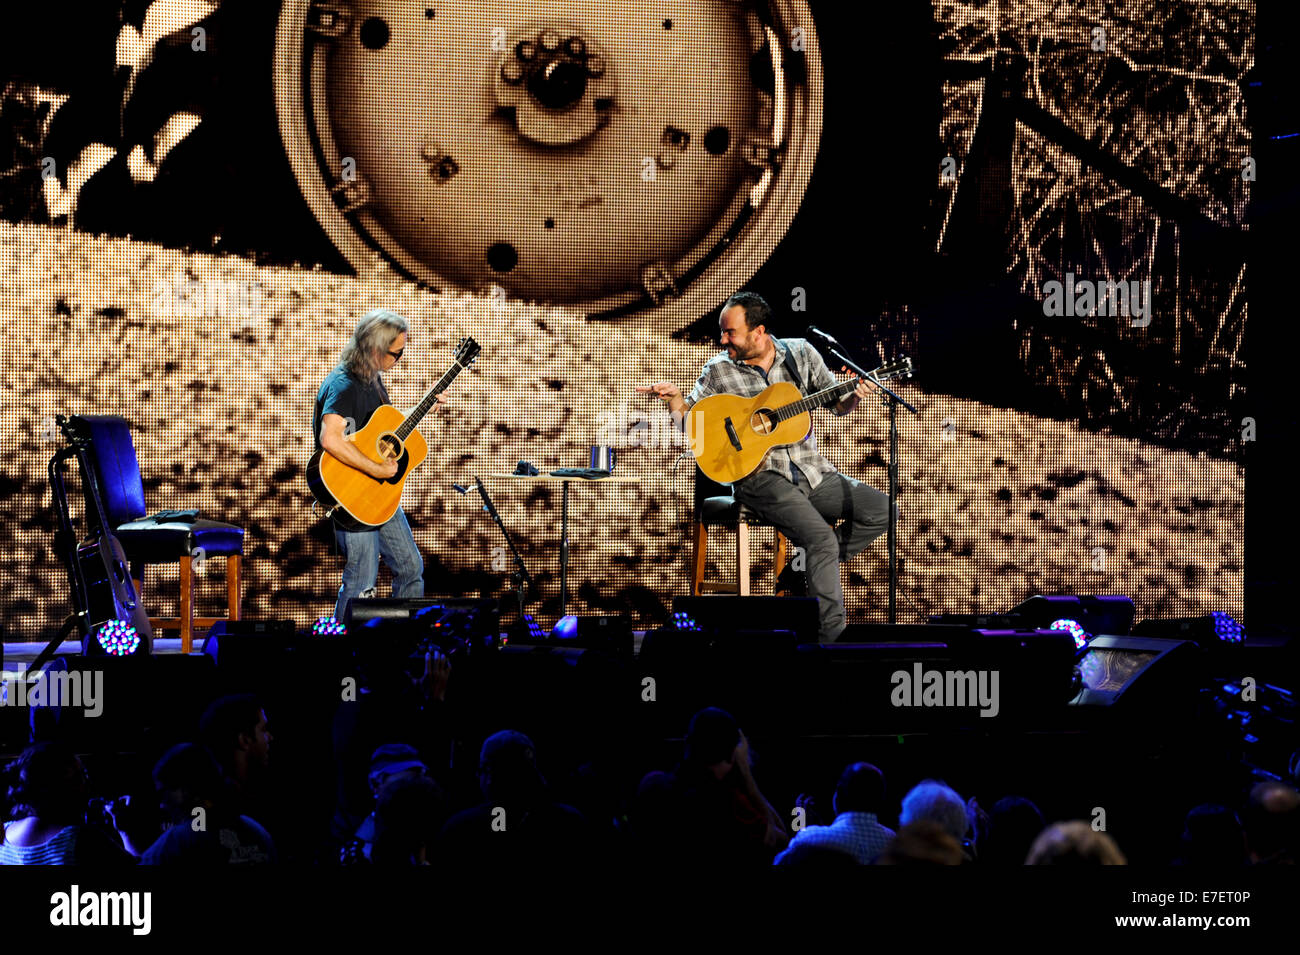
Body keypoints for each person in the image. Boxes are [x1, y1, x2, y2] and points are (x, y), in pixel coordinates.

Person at [638, 291, 894, 641]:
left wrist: (855, 394)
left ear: (758, 332)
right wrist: (677, 401)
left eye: (731, 332)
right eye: (722, 332)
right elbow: (692, 427)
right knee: (820, 540)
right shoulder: (718, 370)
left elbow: (837, 404)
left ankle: (801, 571)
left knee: (882, 510)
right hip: (759, 478)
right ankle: (830, 642)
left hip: (811, 470)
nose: (722, 339)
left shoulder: (801, 354)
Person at [314, 308, 444, 621]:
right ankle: (347, 656)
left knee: (411, 569)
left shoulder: (371, 378)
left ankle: (404, 645)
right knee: (362, 581)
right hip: (352, 497)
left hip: (378, 494)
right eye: (396, 353)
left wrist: (425, 405)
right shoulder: (342, 385)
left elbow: (379, 433)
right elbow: (330, 438)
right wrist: (375, 469)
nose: (399, 359)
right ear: (375, 350)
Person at [775, 762, 895, 864]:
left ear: (838, 795)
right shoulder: (895, 842)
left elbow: (780, 861)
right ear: (881, 800)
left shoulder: (811, 837)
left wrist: (800, 821)